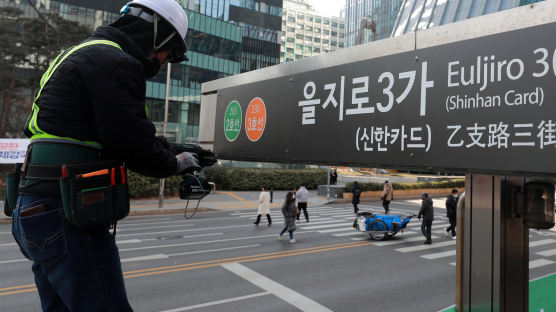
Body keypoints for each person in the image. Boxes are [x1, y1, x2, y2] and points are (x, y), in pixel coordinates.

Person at [10, 1, 201, 310]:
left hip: (34, 208)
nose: (165, 61)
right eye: (171, 53)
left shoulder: (75, 54)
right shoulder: (116, 61)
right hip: (68, 214)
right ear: (159, 36)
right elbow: (131, 142)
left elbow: (106, 129)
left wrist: (172, 147)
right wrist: (176, 163)